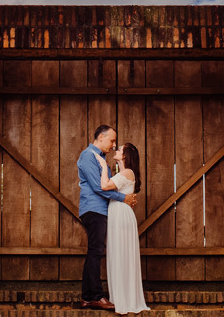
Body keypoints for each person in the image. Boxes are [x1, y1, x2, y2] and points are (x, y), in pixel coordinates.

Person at [78, 125, 138, 310]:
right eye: (112, 140)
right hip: (94, 210)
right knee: (95, 251)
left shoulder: (100, 158)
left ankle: (88, 297)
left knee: (95, 251)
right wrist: (124, 198)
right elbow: (98, 187)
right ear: (101, 137)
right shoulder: (89, 156)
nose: (113, 145)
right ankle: (95, 296)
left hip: (101, 210)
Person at [98, 142, 149, 314]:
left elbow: (104, 186)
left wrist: (103, 167)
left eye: (120, 149)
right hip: (118, 213)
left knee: (121, 254)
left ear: (126, 155)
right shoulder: (123, 173)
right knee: (119, 254)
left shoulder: (127, 172)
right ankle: (121, 298)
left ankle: (123, 300)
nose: (116, 150)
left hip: (121, 215)